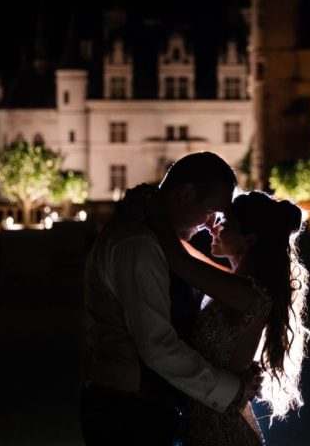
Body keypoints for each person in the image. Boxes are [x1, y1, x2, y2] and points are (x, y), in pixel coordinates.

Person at [80, 152, 260, 445]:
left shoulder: (156, 241)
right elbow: (156, 344)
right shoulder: (139, 244)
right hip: (127, 411)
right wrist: (230, 389)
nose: (209, 226)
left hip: (142, 405)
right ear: (186, 194)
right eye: (211, 212)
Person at [147, 191, 310, 446]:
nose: (215, 229)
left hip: (216, 426)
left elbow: (178, 260)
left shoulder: (246, 293)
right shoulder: (235, 283)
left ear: (249, 240)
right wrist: (200, 225)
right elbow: (185, 255)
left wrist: (153, 209)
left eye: (226, 223)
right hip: (211, 413)